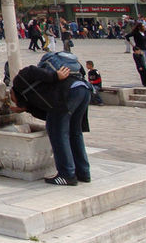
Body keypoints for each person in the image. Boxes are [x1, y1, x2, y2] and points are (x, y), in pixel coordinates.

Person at [10, 57, 91, 186]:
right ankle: (83, 172)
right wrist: (27, 108)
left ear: (12, 92)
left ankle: (66, 174)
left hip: (68, 92)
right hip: (82, 89)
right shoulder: (32, 95)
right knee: (74, 133)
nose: (13, 101)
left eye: (11, 98)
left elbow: (30, 71)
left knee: (57, 132)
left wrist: (55, 76)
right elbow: (48, 114)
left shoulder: (19, 82)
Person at [129, 21, 146, 87]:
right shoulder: (136, 33)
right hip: (140, 51)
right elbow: (127, 36)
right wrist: (134, 46)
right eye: (143, 26)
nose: (144, 27)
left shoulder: (144, 33)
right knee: (143, 67)